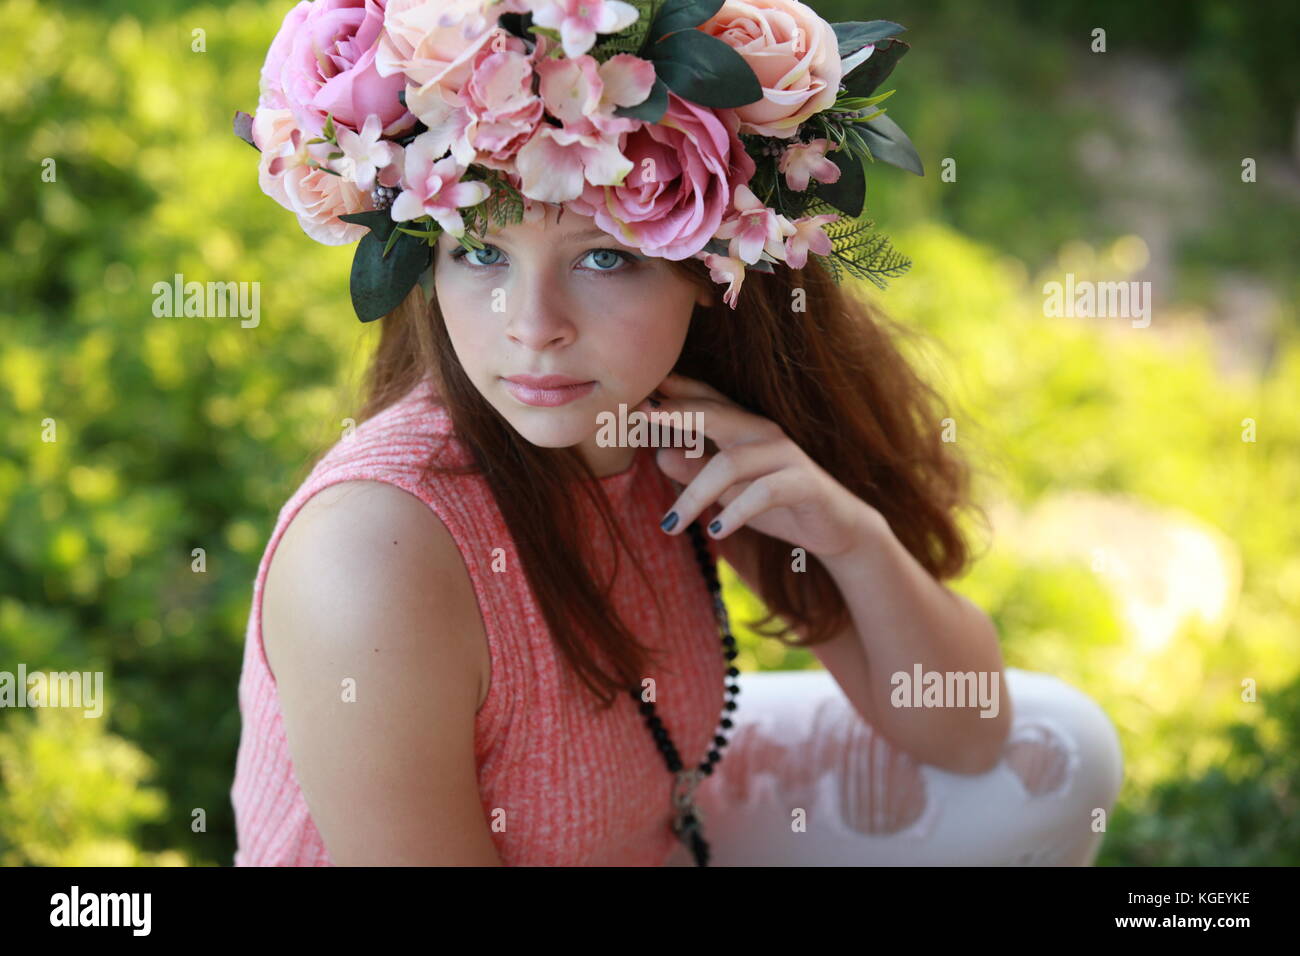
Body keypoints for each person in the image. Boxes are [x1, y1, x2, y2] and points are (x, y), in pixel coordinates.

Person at [229, 0, 1122, 866]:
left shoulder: (676, 420)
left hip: (653, 818)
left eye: (605, 256)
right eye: (482, 252)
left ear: (711, 269)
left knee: (1059, 752)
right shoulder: (373, 556)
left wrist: (848, 539)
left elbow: (969, 736)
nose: (532, 326)